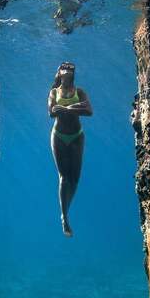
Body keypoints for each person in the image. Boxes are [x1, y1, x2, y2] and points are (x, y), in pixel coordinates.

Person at [48, 61, 93, 237]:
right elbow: (51, 111)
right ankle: (64, 216)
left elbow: (89, 110)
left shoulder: (79, 91)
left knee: (75, 179)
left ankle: (67, 207)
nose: (67, 71)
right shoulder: (53, 92)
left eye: (70, 69)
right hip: (58, 136)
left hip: (77, 136)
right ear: (59, 73)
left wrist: (66, 108)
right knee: (64, 177)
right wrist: (75, 108)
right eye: (64, 68)